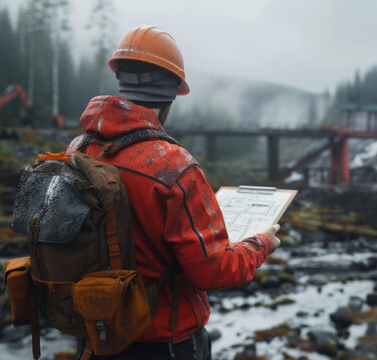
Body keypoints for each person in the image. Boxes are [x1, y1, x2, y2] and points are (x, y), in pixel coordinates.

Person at [66, 25, 281, 360]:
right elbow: (213, 270)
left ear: (120, 81)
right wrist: (261, 243)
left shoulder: (78, 149)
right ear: (170, 95)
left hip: (97, 334)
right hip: (165, 342)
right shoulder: (174, 166)